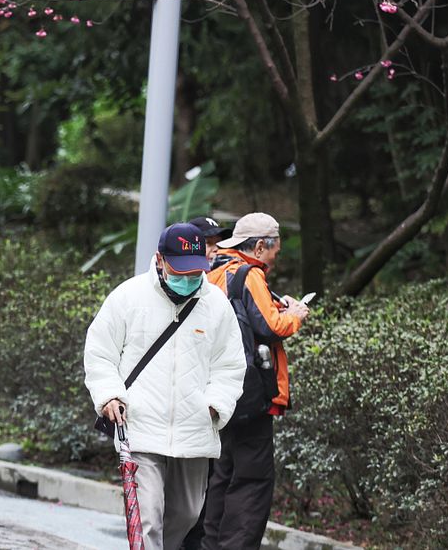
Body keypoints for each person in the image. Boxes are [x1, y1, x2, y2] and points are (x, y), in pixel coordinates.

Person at [83, 223, 245, 550]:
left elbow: (230, 365)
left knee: (186, 514)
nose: (188, 278)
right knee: (148, 517)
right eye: (180, 271)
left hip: (195, 429)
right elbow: (100, 352)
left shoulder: (216, 305)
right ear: (160, 260)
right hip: (141, 425)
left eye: (196, 271)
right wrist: (109, 395)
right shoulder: (128, 296)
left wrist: (215, 406)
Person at [201, 212, 310, 550]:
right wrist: (295, 315)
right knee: (252, 480)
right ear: (261, 245)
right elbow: (271, 327)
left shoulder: (216, 271)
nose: (276, 257)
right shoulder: (249, 275)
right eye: (275, 249)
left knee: (222, 475)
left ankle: (211, 544)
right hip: (249, 395)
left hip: (217, 391)